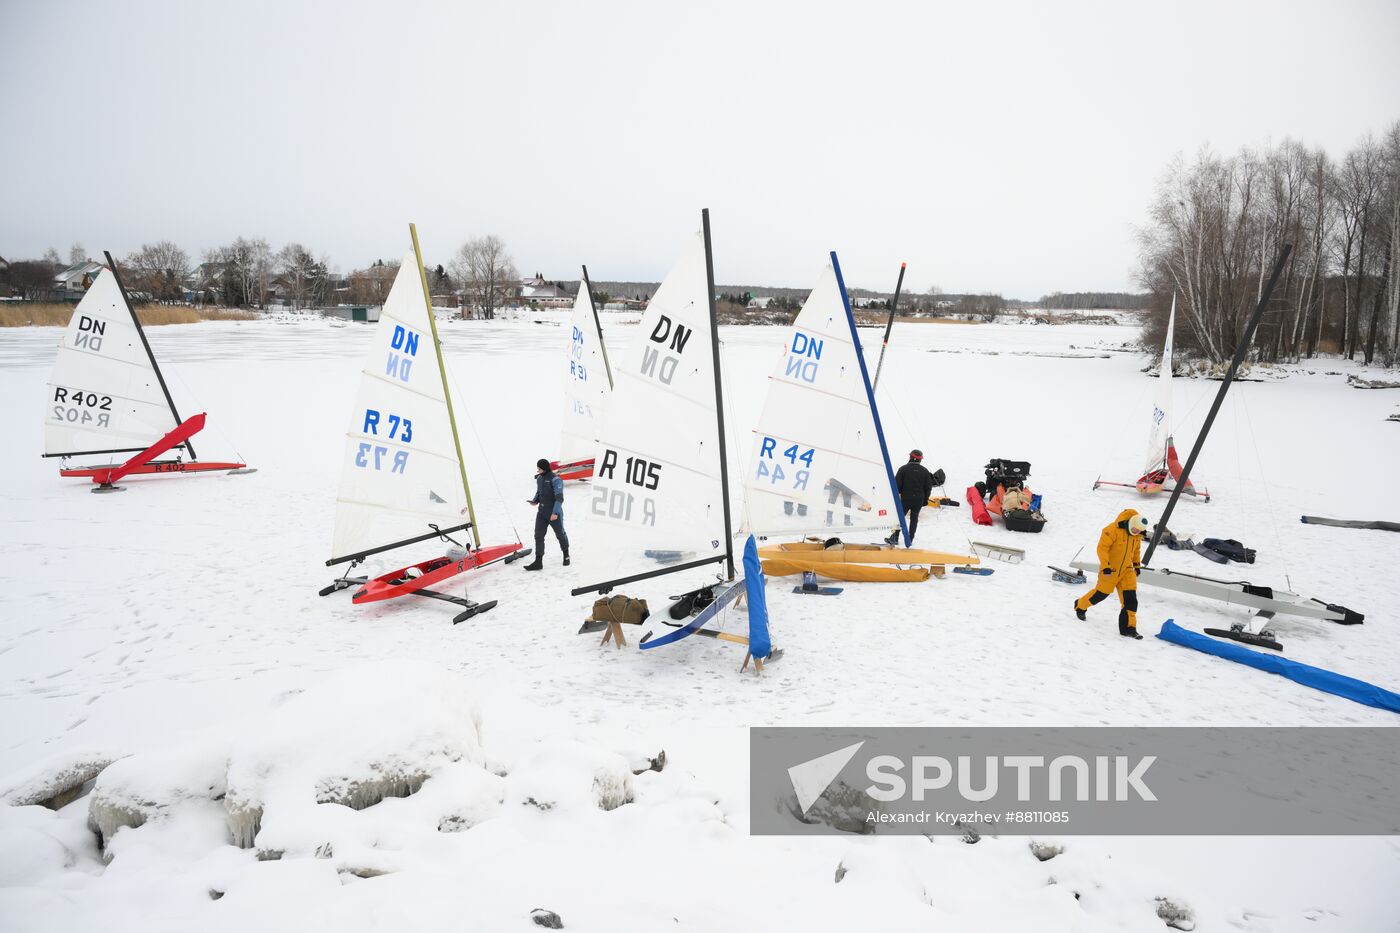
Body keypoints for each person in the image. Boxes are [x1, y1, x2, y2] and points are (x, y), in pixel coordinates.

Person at [1074, 508, 1151, 640]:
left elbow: (1136, 550)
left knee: (1130, 600)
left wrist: (1136, 565)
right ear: (1131, 523)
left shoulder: (1137, 534)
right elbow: (1102, 549)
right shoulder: (1112, 529)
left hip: (1127, 571)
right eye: (1135, 530)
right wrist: (1105, 566)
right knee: (1100, 594)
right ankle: (1080, 605)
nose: (1136, 533)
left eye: (1138, 531)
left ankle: (1129, 628)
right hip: (1110, 570)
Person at [523, 458, 568, 571]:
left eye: (539, 469)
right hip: (542, 512)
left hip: (553, 513)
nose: (538, 471)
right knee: (538, 535)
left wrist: (555, 513)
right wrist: (535, 501)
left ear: (544, 468)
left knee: (560, 534)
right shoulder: (539, 479)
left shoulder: (556, 480)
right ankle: (538, 562)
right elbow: (539, 492)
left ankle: (566, 555)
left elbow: (559, 498)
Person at [885, 449, 935, 546]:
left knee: (899, 518)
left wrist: (898, 495)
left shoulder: (903, 469)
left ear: (910, 457)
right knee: (914, 518)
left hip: (906, 499)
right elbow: (928, 488)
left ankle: (895, 537)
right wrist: (925, 500)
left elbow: (896, 486)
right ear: (920, 460)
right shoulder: (925, 471)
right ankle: (910, 539)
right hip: (919, 500)